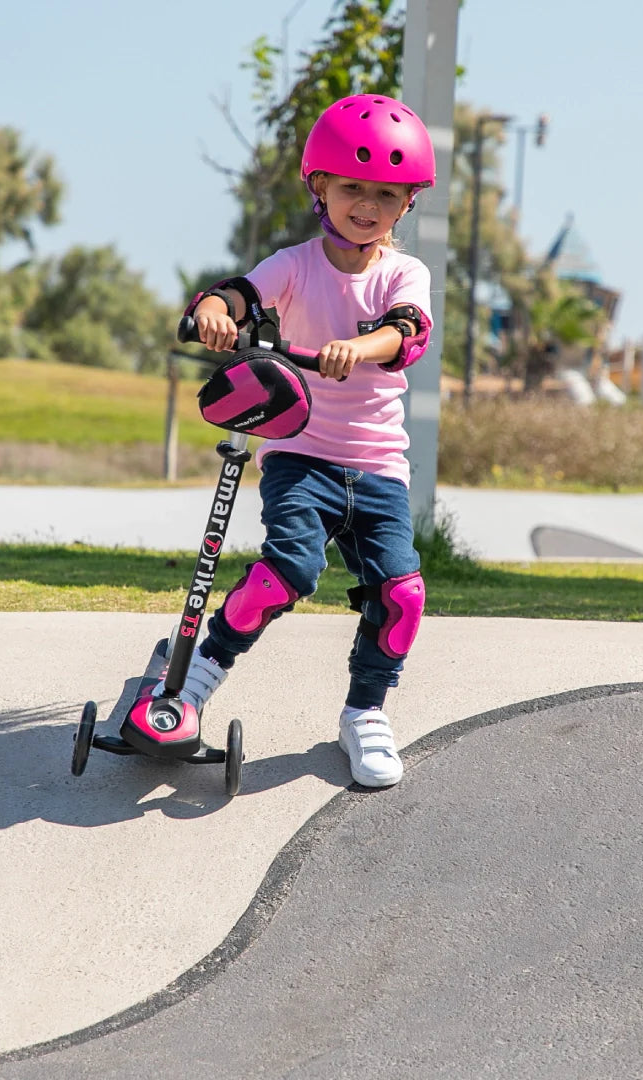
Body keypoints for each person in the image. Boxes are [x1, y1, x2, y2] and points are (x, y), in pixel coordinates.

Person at [154, 94, 436, 788]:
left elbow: (408, 332)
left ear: (405, 205)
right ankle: (195, 676)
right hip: (302, 454)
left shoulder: (405, 273)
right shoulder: (295, 264)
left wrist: (359, 347)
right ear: (321, 187)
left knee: (401, 593)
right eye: (351, 189)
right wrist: (217, 315)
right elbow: (234, 295)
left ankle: (365, 713)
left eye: (384, 195)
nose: (365, 206)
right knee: (288, 573)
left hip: (376, 466)